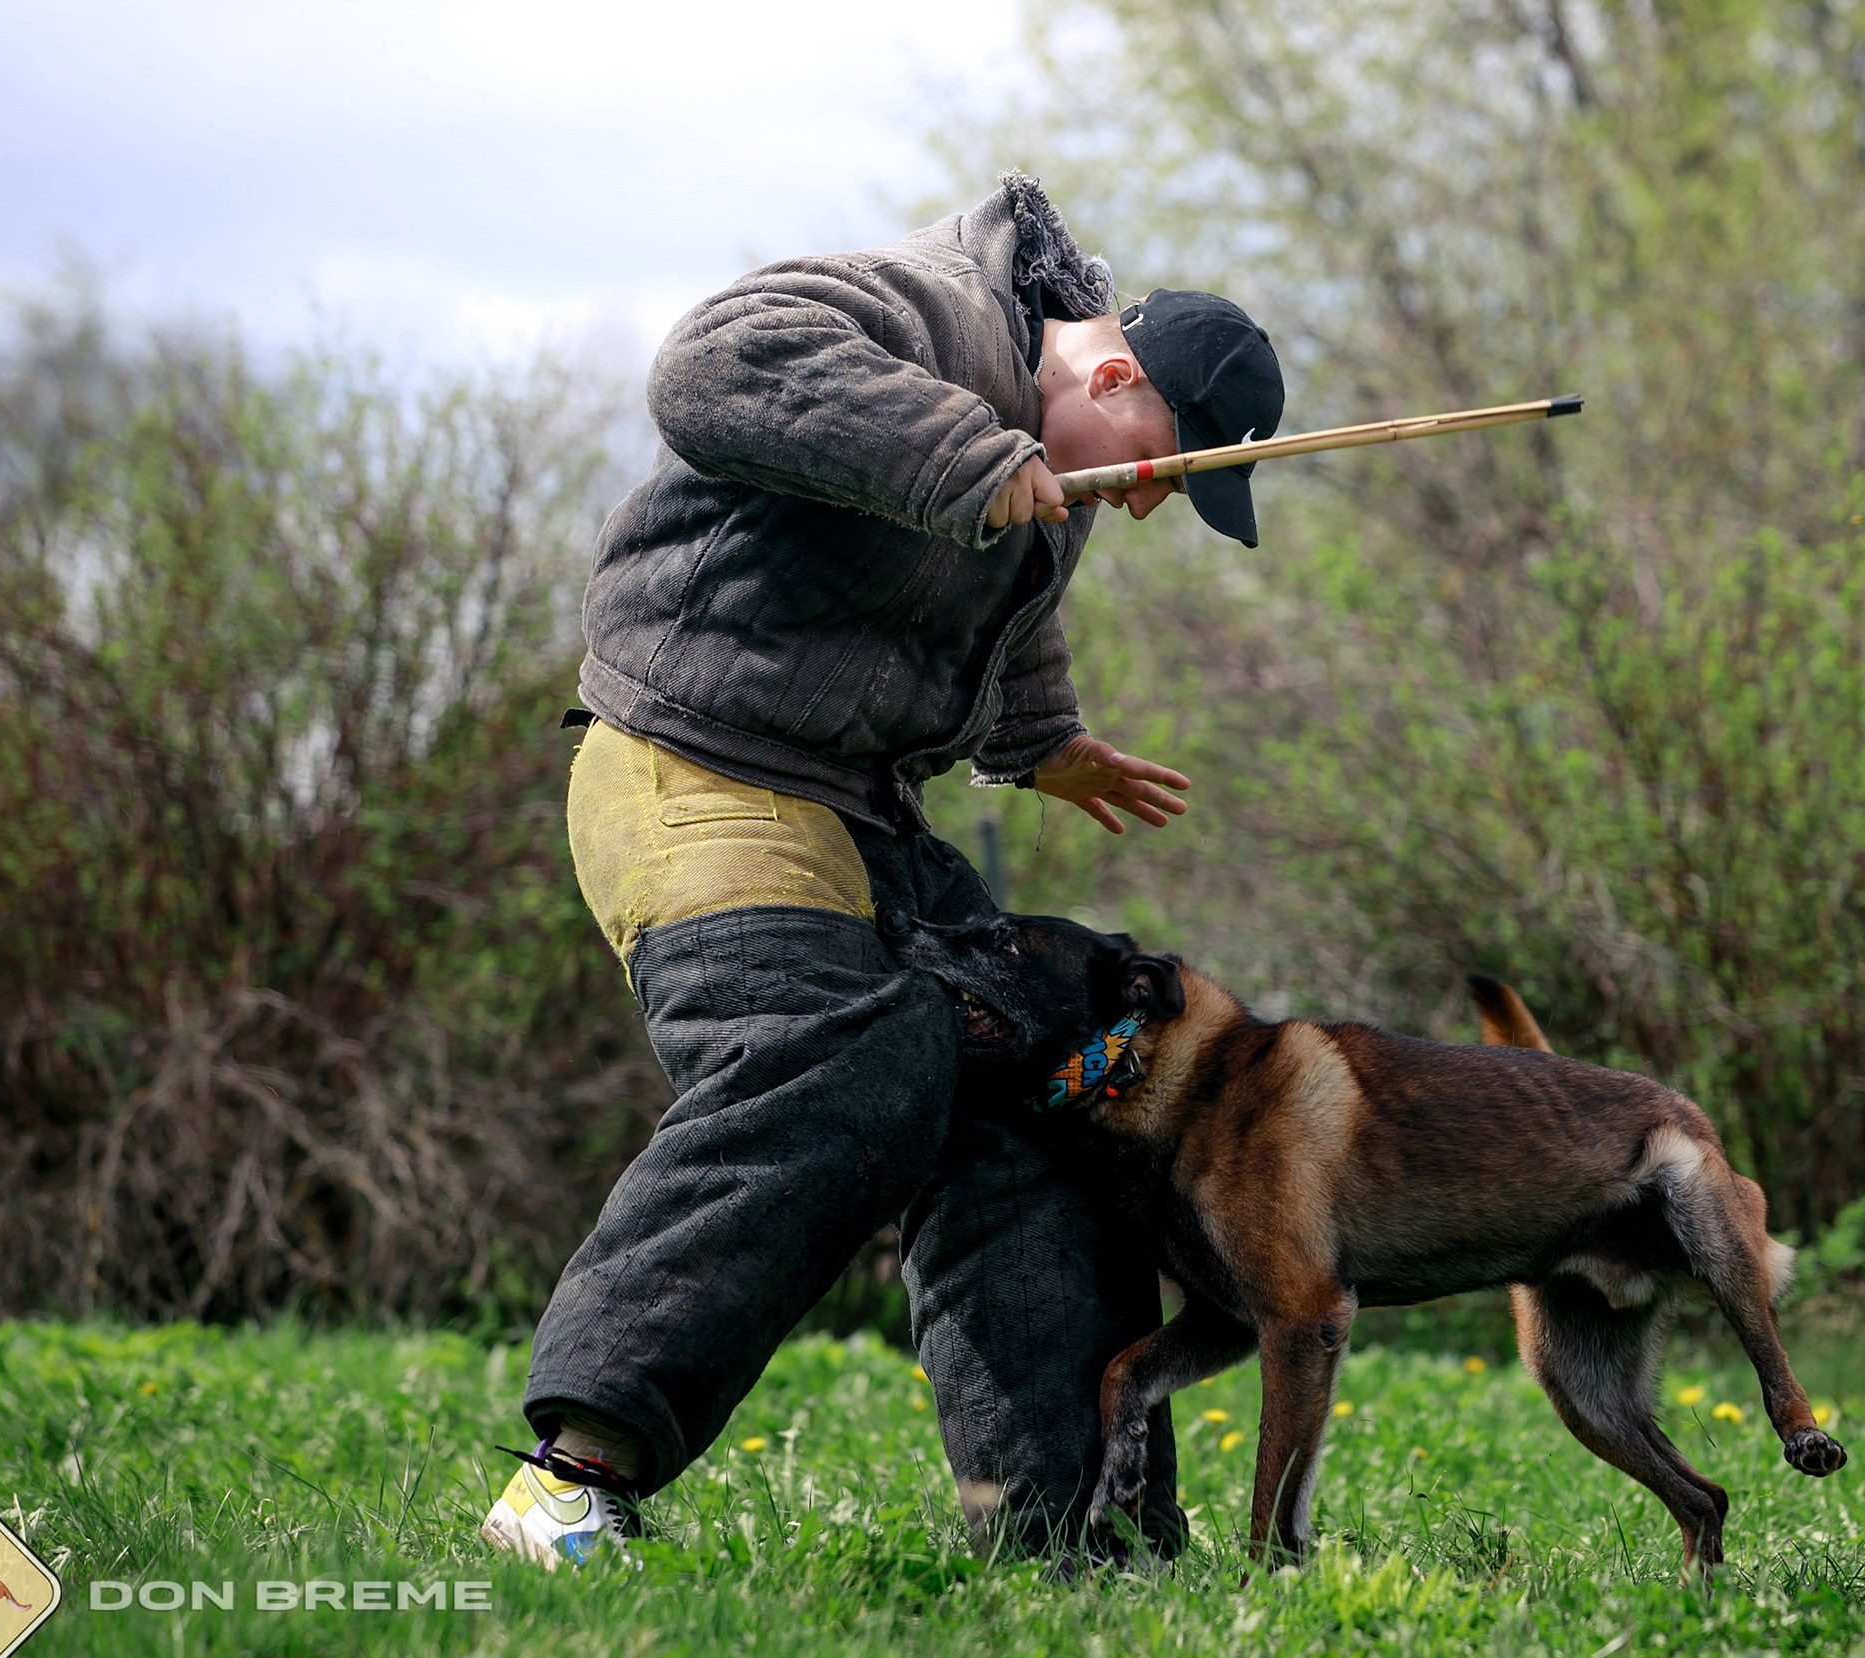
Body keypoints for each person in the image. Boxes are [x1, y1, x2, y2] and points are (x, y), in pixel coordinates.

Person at [479, 174, 1285, 1568]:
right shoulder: (930, 310)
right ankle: (568, 1484)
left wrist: (1044, 744)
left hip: (862, 805)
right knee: (849, 1056)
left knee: (1053, 1088)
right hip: (692, 762)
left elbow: (1001, 615)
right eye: (1167, 461)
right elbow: (714, 366)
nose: (1150, 502)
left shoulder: (1060, 461)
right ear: (1108, 366)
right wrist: (966, 457)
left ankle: (1078, 1541)